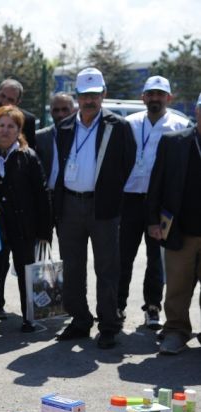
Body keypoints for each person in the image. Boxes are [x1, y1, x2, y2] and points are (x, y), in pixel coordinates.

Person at [53, 67, 136, 349]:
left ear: (104, 94)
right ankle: (79, 321)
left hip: (103, 208)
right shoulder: (64, 127)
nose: (90, 101)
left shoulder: (118, 126)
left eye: (95, 95)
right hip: (70, 206)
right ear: (77, 96)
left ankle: (109, 325)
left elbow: (128, 162)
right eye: (85, 95)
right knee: (73, 267)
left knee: (107, 268)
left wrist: (111, 192)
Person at [118, 76, 189, 329]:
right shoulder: (129, 123)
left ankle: (152, 307)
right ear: (143, 97)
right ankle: (118, 305)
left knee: (156, 259)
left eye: (160, 94)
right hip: (129, 200)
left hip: (160, 204)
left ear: (169, 98)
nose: (155, 99)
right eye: (151, 94)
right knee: (122, 256)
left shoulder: (180, 125)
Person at [0, 106, 51, 333]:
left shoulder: (28, 156)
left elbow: (41, 194)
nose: (5, 130)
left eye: (11, 126)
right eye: (1, 125)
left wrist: (44, 231)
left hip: (24, 226)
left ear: (19, 130)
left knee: (26, 271)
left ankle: (30, 317)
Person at [146, 93, 201, 355]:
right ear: (196, 111)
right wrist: (152, 221)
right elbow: (156, 183)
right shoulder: (174, 142)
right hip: (182, 230)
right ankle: (176, 330)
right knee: (177, 286)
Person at [36, 92, 75, 191]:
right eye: (56, 110)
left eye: (65, 110)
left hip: (71, 197)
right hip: (48, 195)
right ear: (51, 112)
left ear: (73, 111)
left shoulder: (81, 136)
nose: (60, 114)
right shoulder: (39, 137)